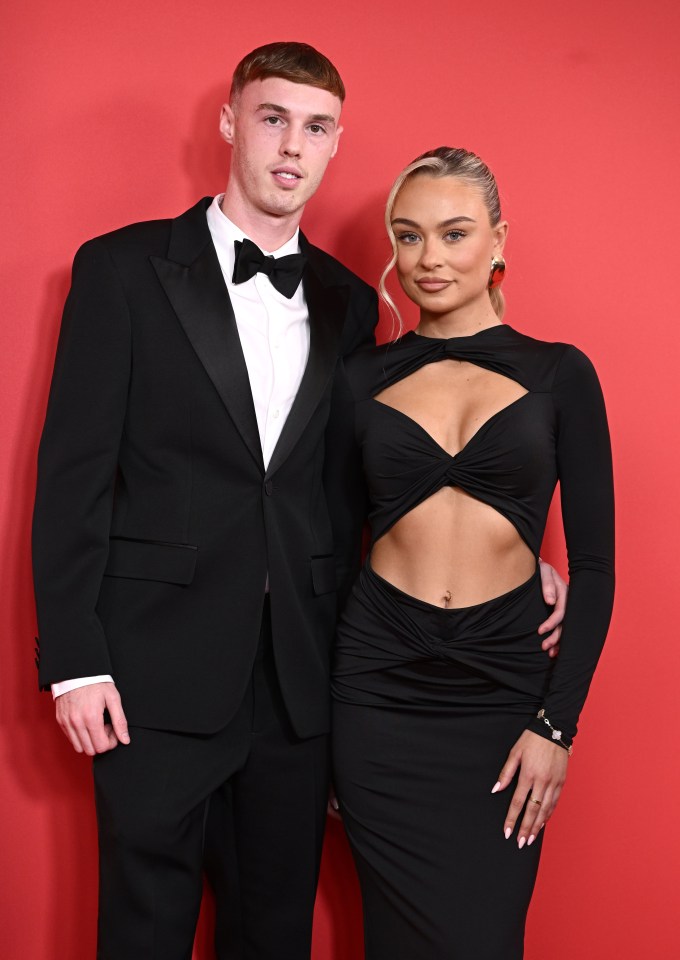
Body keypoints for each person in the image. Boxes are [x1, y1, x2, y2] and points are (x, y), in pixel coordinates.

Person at [31, 40, 567, 957]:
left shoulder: (355, 304)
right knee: (141, 928)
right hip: (151, 678)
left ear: (334, 144)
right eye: (273, 119)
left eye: (315, 129)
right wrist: (76, 661)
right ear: (232, 122)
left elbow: (366, 491)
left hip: (302, 686)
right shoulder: (121, 271)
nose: (291, 148)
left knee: (273, 931)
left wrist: (516, 558)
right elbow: (72, 473)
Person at [332, 147, 615, 959]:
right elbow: (329, 545)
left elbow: (594, 566)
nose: (428, 259)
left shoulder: (562, 374)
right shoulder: (360, 381)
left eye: (453, 234)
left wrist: (556, 726)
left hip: (502, 699)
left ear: (497, 239)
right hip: (376, 695)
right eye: (408, 236)